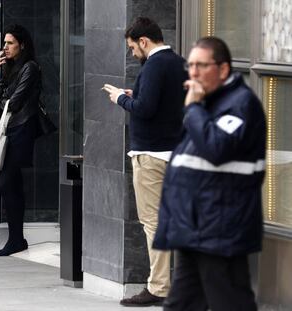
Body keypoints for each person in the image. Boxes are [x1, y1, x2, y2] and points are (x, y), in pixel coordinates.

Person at [153, 37, 266, 311]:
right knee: (181, 305)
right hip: (196, 229)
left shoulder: (239, 104)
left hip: (220, 231)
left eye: (201, 66)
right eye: (190, 65)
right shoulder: (208, 103)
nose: (193, 73)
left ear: (223, 69)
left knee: (230, 303)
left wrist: (192, 109)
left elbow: (216, 148)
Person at [101, 17, 187, 307]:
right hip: (177, 153)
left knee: (153, 223)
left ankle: (159, 287)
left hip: (151, 157)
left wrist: (120, 99)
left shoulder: (154, 65)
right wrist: (134, 94)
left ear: (144, 41)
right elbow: (167, 104)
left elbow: (146, 109)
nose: (132, 54)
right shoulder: (179, 63)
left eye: (132, 48)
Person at [0, 24, 41, 256]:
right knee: (11, 183)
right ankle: (17, 238)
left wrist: (1, 99)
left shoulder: (30, 67)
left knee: (7, 182)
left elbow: (14, 102)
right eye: (4, 43)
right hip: (8, 129)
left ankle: (16, 238)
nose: (5, 47)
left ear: (22, 45)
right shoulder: (7, 69)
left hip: (21, 130)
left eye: (10, 43)